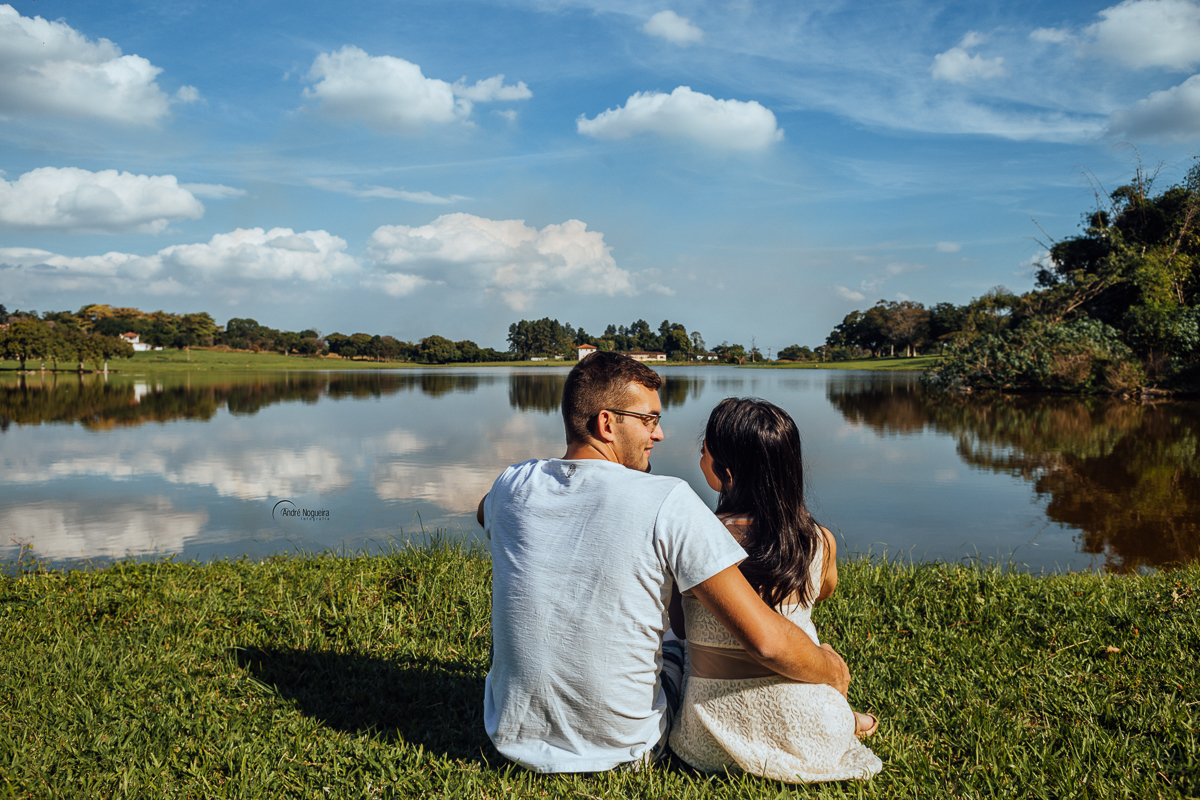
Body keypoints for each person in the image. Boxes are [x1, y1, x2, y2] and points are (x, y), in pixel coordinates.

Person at [476, 352, 851, 773]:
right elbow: (767, 642)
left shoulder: (512, 485)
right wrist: (830, 669)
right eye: (649, 420)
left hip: (509, 736)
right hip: (626, 750)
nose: (659, 434)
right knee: (676, 642)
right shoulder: (667, 500)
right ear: (606, 423)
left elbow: (483, 510)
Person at [668, 397, 883, 782]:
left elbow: (682, 629)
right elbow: (822, 591)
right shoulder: (820, 541)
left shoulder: (695, 540)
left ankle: (847, 717)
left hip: (707, 739)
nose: (700, 455)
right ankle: (848, 719)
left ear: (726, 474)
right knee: (818, 646)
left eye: (704, 451)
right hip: (812, 734)